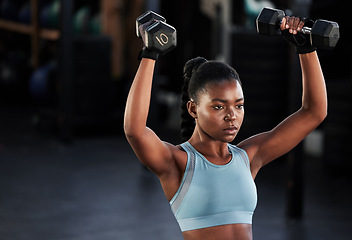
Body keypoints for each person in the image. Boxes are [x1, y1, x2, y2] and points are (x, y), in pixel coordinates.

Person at [124, 15, 327, 240]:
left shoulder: (248, 157)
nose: (232, 115)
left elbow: (314, 113)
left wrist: (306, 49)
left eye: (238, 105)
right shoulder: (177, 162)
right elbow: (135, 130)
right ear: (193, 110)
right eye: (219, 106)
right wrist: (150, 55)